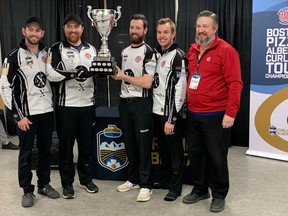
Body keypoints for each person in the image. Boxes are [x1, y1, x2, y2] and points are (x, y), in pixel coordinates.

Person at [182, 10, 243, 213]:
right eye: (198, 26)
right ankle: (200, 189)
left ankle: (218, 194)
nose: (201, 30)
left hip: (216, 116)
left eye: (205, 26)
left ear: (215, 28)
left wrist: (231, 113)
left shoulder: (226, 51)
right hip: (193, 114)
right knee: (196, 156)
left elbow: (235, 84)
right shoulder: (192, 51)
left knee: (217, 158)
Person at [4, 16, 61, 208]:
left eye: (38, 30)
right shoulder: (13, 57)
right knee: (26, 154)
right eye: (31, 30)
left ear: (42, 33)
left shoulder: (48, 53)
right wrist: (18, 116)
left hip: (46, 112)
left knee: (45, 151)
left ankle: (43, 184)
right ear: (24, 31)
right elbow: (5, 88)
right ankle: (27, 190)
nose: (34, 33)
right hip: (26, 116)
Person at [46, 14, 98, 199]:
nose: (73, 30)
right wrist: (72, 73)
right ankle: (67, 184)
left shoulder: (92, 49)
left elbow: (99, 70)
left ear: (82, 29)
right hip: (66, 107)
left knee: (86, 147)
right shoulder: (56, 48)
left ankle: (86, 180)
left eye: (76, 26)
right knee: (66, 148)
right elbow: (50, 74)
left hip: (88, 106)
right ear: (64, 29)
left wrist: (101, 72)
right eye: (69, 26)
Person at [111, 14, 156, 202]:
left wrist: (123, 77)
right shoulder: (124, 51)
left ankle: (147, 185)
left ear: (145, 30)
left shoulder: (149, 52)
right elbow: (121, 76)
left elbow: (147, 82)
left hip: (142, 104)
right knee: (129, 143)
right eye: (132, 27)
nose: (134, 31)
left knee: (143, 145)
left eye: (138, 28)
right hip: (125, 103)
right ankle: (133, 179)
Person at [152, 18, 187, 202]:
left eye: (166, 32)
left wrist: (171, 119)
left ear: (173, 34)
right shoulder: (158, 54)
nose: (162, 36)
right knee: (163, 150)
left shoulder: (178, 55)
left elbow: (180, 90)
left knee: (174, 152)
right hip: (156, 112)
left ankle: (175, 188)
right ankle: (165, 181)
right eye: (159, 32)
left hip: (169, 114)